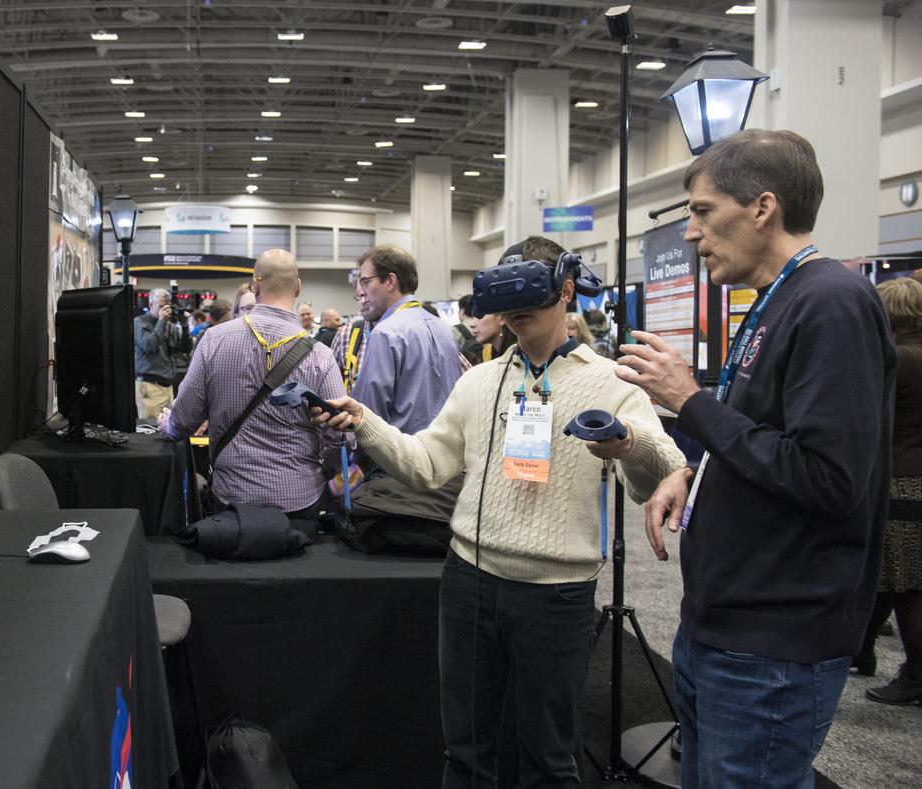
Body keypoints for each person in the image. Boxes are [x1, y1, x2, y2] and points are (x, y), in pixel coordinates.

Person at [313, 235, 685, 787]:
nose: (515, 309)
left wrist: (629, 442)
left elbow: (663, 466)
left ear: (564, 288)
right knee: (465, 753)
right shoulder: (479, 381)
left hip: (558, 593)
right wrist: (365, 420)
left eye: (529, 289)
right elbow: (425, 465)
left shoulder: (611, 381)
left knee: (549, 760)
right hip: (469, 583)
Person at [616, 129, 895, 786]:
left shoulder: (831, 303)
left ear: (763, 207)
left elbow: (829, 478)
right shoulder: (779, 300)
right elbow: (766, 433)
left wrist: (690, 400)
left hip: (774, 643)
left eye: (703, 211)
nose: (689, 232)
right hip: (726, 624)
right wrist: (694, 470)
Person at [161, 250, 344, 519]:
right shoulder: (321, 356)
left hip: (232, 501)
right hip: (300, 501)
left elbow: (185, 420)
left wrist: (171, 426)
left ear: (255, 286)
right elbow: (340, 437)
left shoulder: (213, 340)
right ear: (298, 288)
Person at [856, 275, 922, 705]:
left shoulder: (896, 361)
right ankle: (860, 649)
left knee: (907, 586)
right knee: (890, 576)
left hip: (900, 481)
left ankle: (916, 674)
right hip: (913, 480)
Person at [351, 245, 461, 436]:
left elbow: (368, 419)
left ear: (391, 281)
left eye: (366, 281)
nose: (362, 291)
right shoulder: (444, 329)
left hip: (398, 459)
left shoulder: (386, 333)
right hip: (446, 454)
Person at [133, 288, 190, 419]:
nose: (165, 310)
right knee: (151, 430)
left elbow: (184, 349)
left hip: (168, 386)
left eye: (167, 306)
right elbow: (149, 345)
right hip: (149, 386)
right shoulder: (139, 322)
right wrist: (161, 321)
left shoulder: (169, 325)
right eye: (161, 306)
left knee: (167, 428)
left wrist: (185, 325)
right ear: (151, 305)